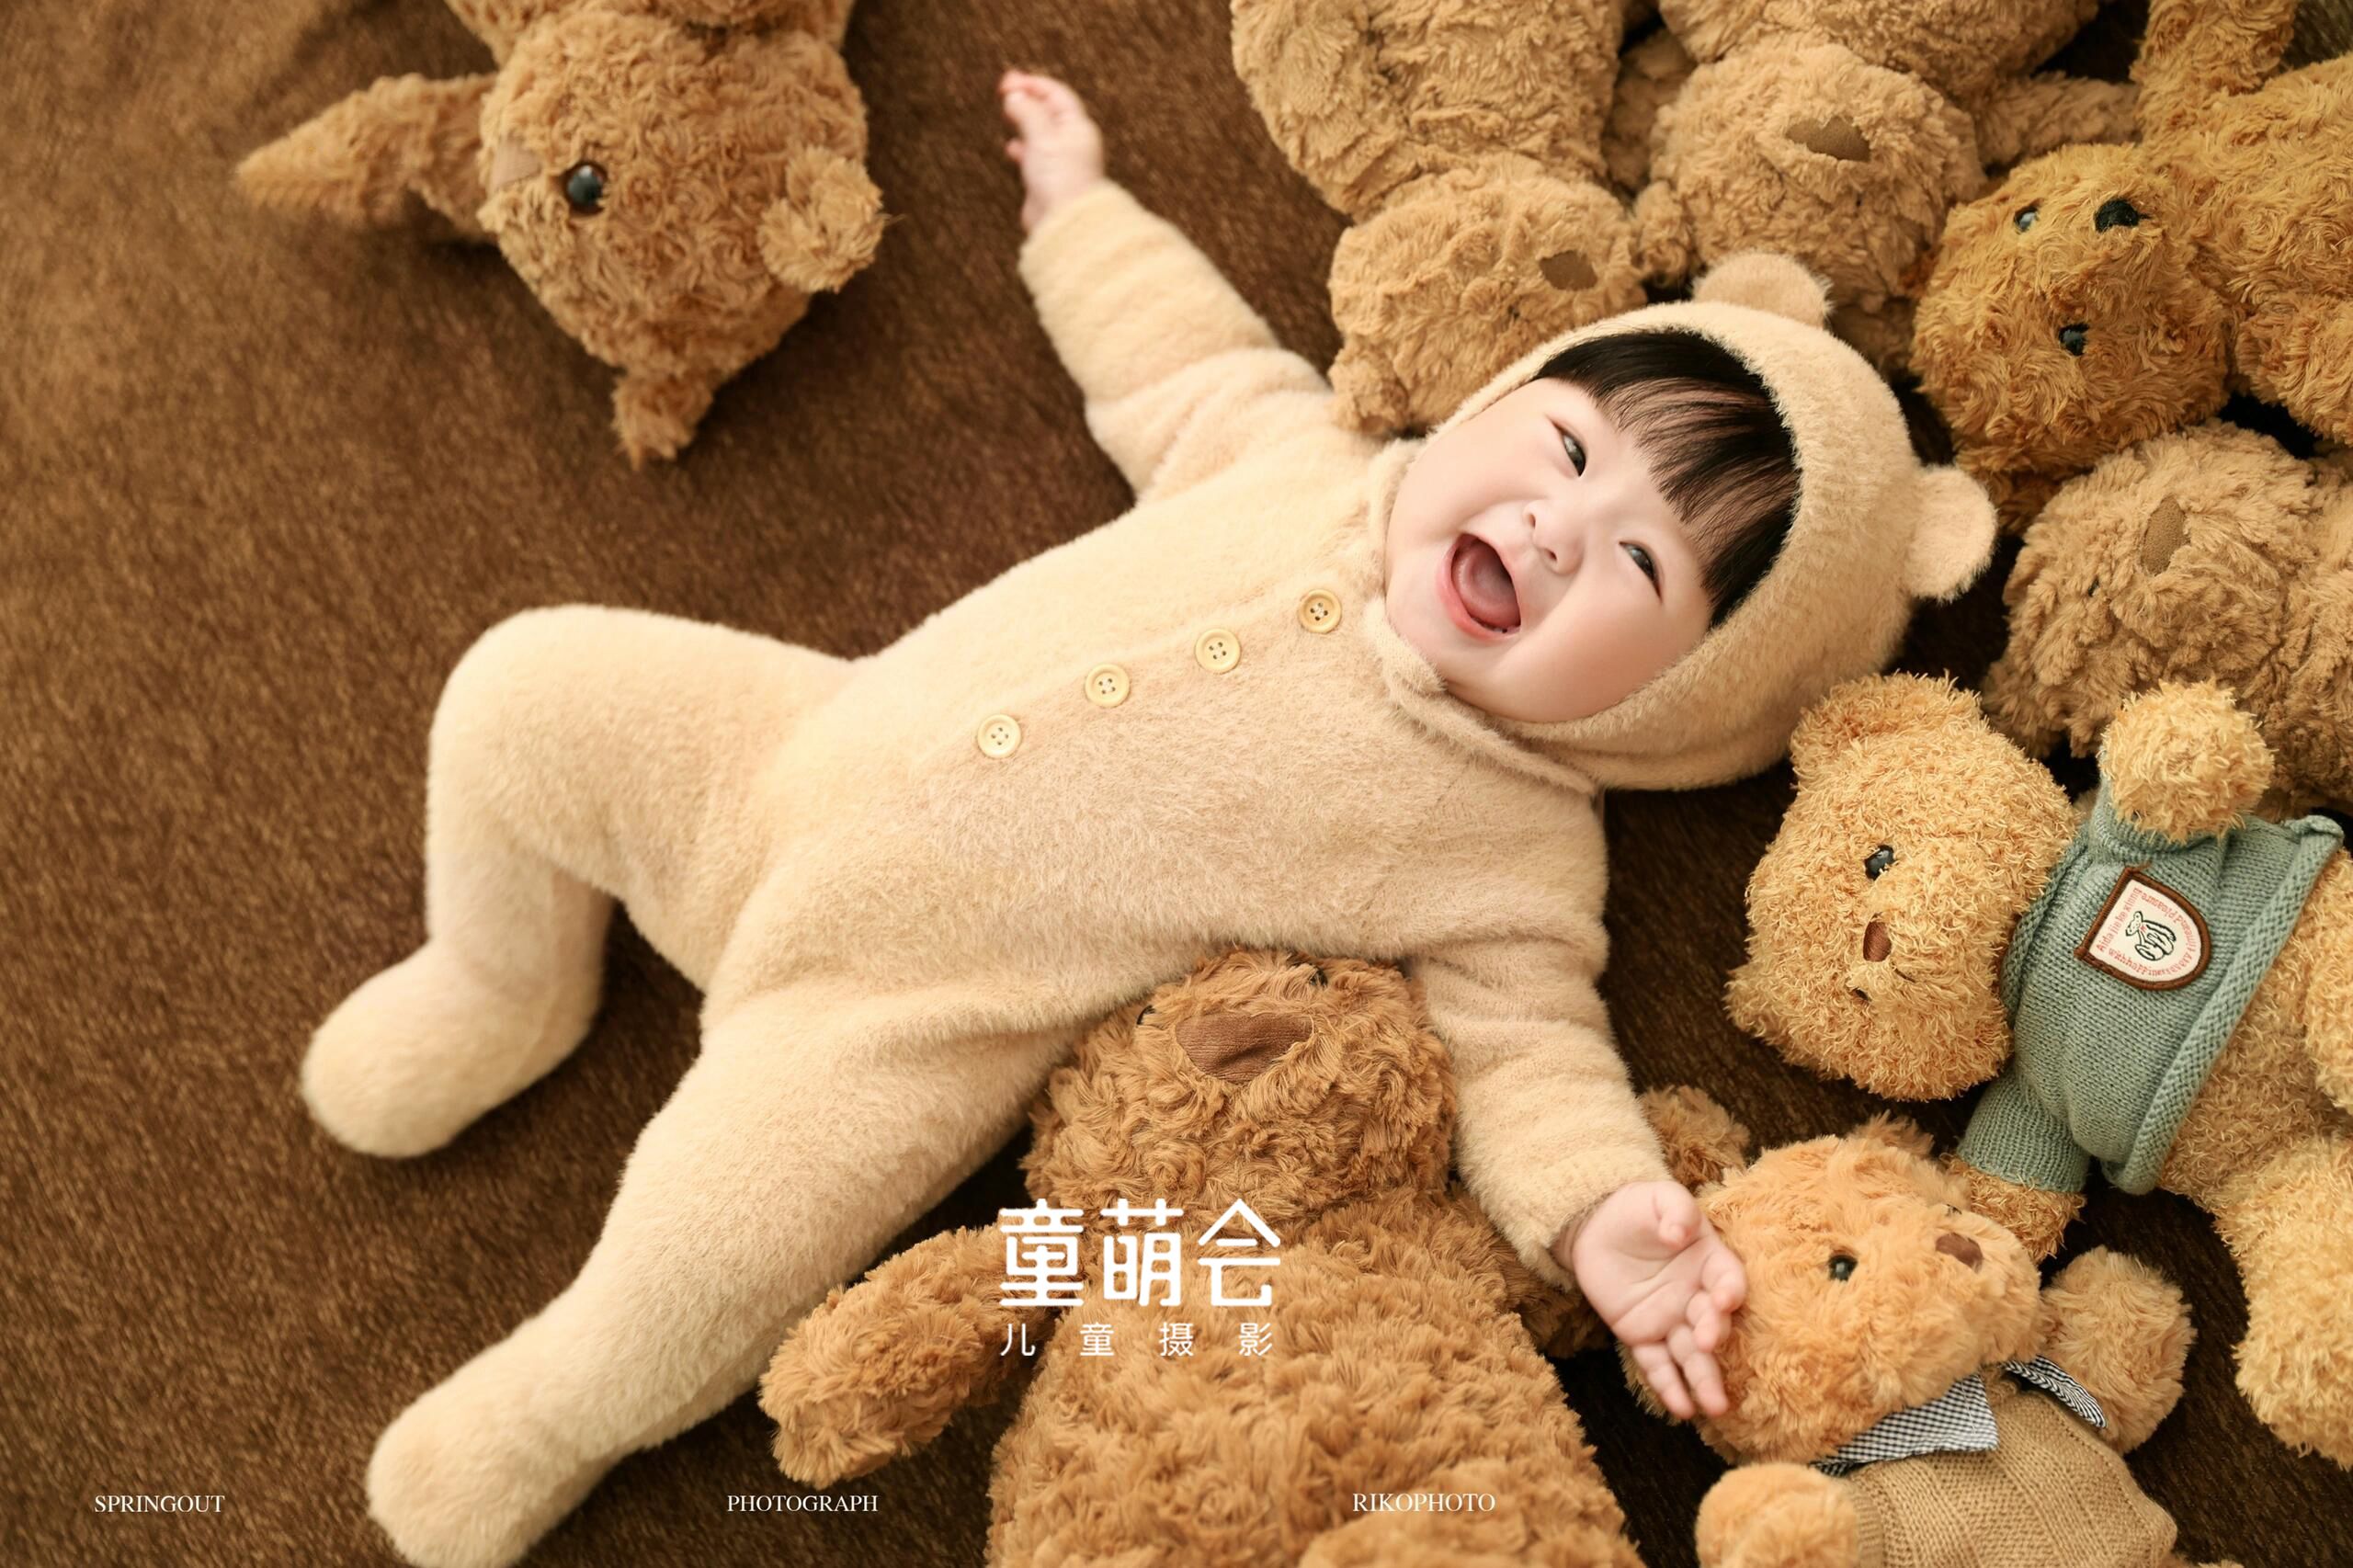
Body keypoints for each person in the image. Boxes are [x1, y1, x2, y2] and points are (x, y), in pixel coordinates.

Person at [313, 67, 1998, 1568]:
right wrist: (1079, 209)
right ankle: (502, 979)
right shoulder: (1295, 454)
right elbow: (1170, 354)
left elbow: (1528, 1051)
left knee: (715, 1246)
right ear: (1495, 401)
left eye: (1636, 560)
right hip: (772, 757)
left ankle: (549, 1410)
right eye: (1563, 447)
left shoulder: (1515, 848)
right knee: (523, 687)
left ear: (1684, 699)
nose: (1559, 527)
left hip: (900, 1019)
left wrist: (1603, 1214)